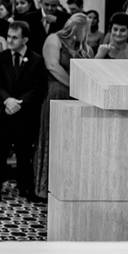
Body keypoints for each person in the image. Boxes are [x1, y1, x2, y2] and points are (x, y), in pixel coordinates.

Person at [34, 13, 93, 200]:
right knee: (52, 138)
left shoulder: (85, 48)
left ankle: (69, 187)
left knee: (71, 141)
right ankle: (45, 187)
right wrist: (73, 86)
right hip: (57, 92)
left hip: (78, 97)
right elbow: (52, 66)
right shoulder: (54, 39)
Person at [0, 21, 47, 202]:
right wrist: (7, 100)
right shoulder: (1, 57)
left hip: (24, 115)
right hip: (4, 112)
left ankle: (25, 187)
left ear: (25, 39)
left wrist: (20, 102)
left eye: (15, 37)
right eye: (8, 36)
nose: (10, 40)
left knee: (24, 154)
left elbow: (39, 88)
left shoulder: (36, 59)